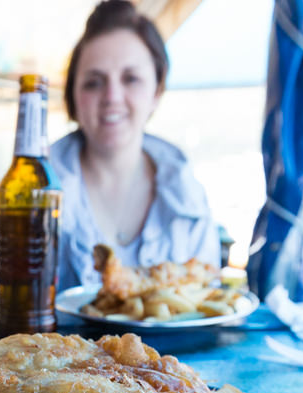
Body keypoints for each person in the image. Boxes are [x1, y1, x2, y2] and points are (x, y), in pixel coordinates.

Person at [51, 0, 220, 292]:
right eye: (93, 82)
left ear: (156, 91)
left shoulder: (188, 196)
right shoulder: (36, 191)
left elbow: (208, 303)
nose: (112, 96)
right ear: (73, 97)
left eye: (131, 79)